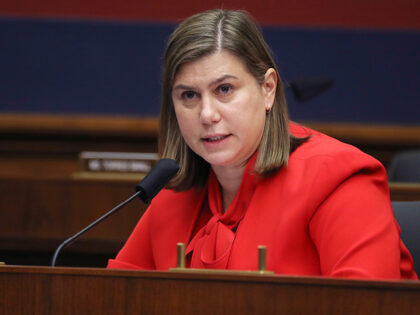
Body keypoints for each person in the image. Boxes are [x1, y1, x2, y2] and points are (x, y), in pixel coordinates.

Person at [107, 9, 417, 279]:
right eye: (189, 95)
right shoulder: (174, 196)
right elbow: (115, 297)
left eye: (224, 89)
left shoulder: (337, 181)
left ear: (267, 89)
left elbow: (365, 306)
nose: (207, 114)